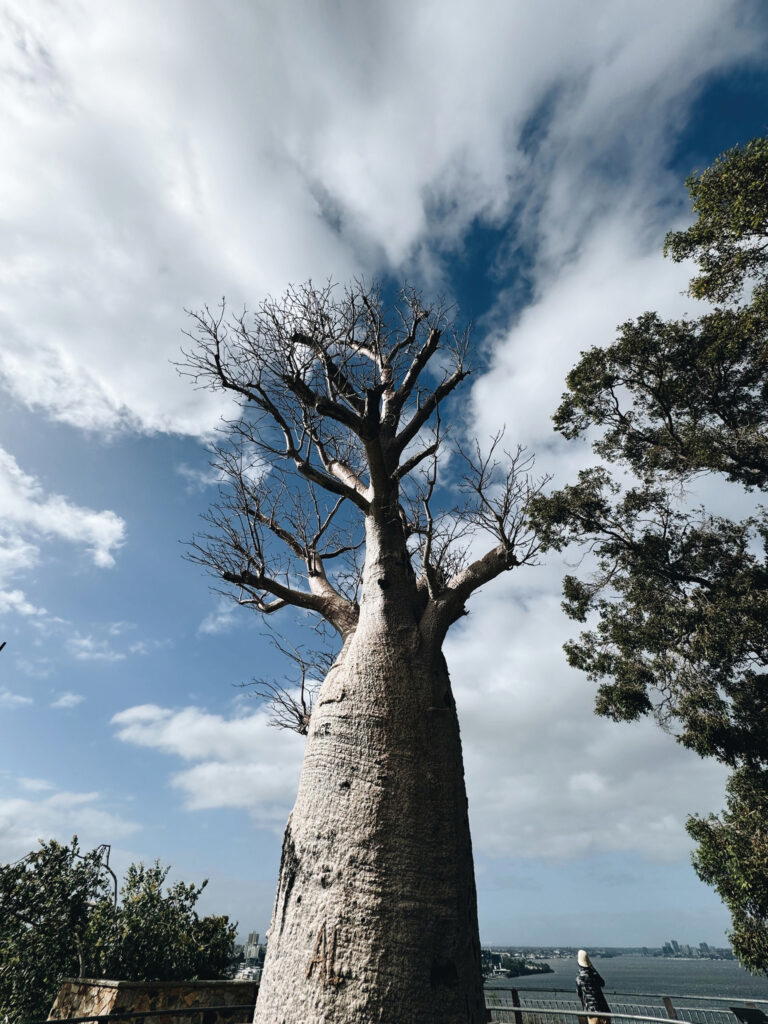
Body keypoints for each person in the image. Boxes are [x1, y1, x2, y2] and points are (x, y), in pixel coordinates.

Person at [576, 949, 611, 1024]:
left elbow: (580, 995)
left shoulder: (579, 979)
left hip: (591, 1012)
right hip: (604, 1011)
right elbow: (602, 983)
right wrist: (592, 968)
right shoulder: (593, 975)